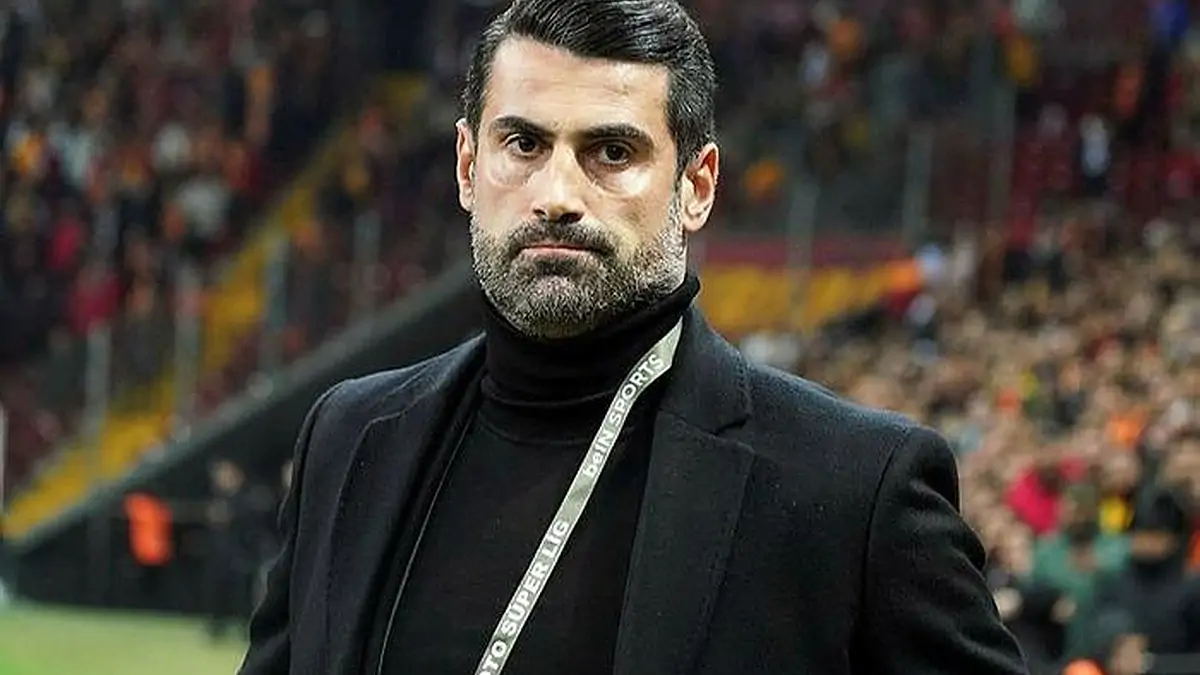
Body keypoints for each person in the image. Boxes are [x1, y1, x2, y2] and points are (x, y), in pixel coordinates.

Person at [239, 1, 1028, 673]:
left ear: (697, 187)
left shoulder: (854, 491)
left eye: (612, 151)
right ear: (467, 166)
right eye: (524, 144)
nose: (556, 194)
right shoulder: (349, 438)